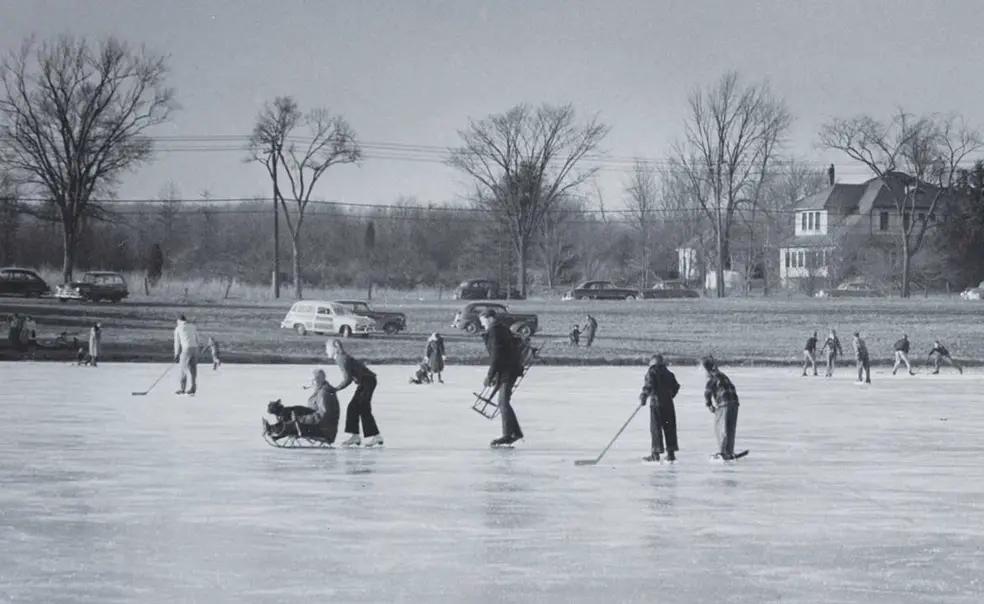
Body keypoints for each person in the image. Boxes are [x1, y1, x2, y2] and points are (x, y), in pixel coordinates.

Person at [481, 308, 524, 447]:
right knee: (503, 402)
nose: (482, 324)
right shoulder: (500, 329)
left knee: (503, 402)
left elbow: (497, 356)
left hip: (508, 371)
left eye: (482, 321)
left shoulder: (494, 331)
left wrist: (490, 376)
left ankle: (508, 435)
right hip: (509, 369)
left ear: (489, 318)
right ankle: (515, 433)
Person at [327, 339, 383, 447]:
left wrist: (336, 389)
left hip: (368, 382)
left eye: (327, 348)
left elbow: (347, 379)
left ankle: (375, 436)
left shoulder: (341, 358)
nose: (326, 351)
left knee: (363, 408)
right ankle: (355, 436)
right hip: (366, 382)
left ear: (335, 348)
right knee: (353, 407)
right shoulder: (341, 357)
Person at [263, 369, 340, 444]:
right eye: (311, 380)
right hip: (319, 426)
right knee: (293, 413)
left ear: (321, 379)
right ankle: (274, 427)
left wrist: (301, 419)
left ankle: (273, 429)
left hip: (323, 430)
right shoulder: (320, 391)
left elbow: (323, 415)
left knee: (293, 424)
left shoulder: (324, 393)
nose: (311, 382)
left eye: (314, 380)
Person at [639, 354, 680, 463]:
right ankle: (671, 454)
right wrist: (669, 396)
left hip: (656, 404)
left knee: (656, 429)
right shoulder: (669, 373)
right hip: (669, 404)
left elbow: (649, 386)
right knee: (670, 428)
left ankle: (655, 454)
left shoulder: (651, 372)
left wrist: (643, 396)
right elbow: (676, 387)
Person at [702, 356, 741, 460]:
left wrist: (709, 405)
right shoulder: (723, 376)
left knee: (720, 428)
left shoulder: (712, 377)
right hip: (734, 403)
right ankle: (729, 452)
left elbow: (707, 392)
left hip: (724, 404)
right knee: (730, 428)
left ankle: (722, 452)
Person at [173, 315, 201, 395]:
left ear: (179, 321)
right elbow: (198, 339)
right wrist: (198, 349)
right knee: (193, 369)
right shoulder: (192, 326)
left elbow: (177, 343)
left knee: (183, 369)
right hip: (194, 348)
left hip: (186, 349)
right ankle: (193, 387)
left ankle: (182, 389)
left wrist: (176, 354)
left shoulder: (178, 328)